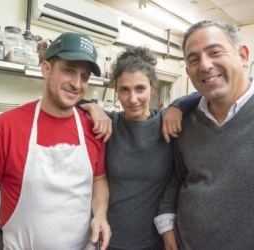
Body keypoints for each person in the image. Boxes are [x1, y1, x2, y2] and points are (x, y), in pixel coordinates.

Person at [156, 20, 254, 250]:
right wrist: (167, 225)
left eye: (215, 52)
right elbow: (179, 179)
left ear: (242, 55)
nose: (205, 65)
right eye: (194, 59)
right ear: (188, 71)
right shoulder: (187, 122)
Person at [0, 32, 112, 250]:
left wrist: (100, 214)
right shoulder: (6, 127)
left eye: (84, 76)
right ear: (46, 69)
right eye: (69, 70)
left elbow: (99, 179)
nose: (76, 83)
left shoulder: (93, 128)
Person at [78, 46, 200, 250]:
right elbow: (62, 101)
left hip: (155, 241)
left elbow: (204, 94)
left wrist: (179, 104)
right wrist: (91, 106)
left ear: (153, 86)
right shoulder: (108, 123)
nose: (132, 99)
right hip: (108, 239)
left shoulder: (167, 123)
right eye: (124, 90)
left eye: (140, 89)